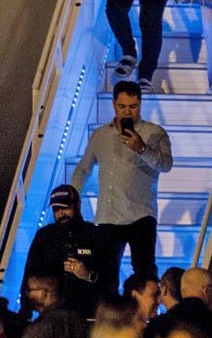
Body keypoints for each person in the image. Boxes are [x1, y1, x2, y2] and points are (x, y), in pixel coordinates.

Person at [72, 81, 174, 282]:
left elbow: (166, 164)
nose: (128, 112)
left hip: (141, 214)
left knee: (145, 272)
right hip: (108, 216)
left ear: (140, 104)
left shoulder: (155, 133)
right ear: (113, 105)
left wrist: (142, 148)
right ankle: (109, 312)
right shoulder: (100, 135)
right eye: (122, 106)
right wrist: (74, 199)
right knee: (105, 274)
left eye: (133, 106)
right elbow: (83, 168)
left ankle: (148, 312)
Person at [23, 185, 109, 319]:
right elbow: (29, 275)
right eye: (56, 209)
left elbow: (109, 279)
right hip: (52, 317)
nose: (60, 214)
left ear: (78, 205)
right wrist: (25, 313)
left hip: (87, 315)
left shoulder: (95, 235)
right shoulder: (44, 236)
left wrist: (87, 275)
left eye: (65, 207)